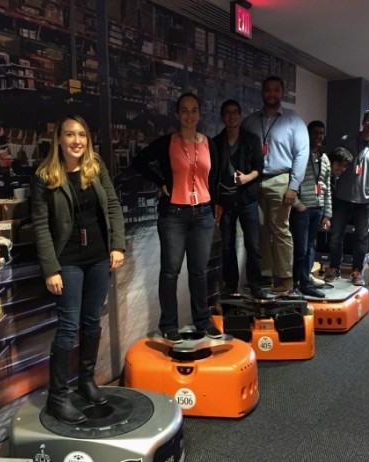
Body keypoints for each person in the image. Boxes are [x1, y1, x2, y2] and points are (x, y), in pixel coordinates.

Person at [31, 115, 126, 424]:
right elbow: (41, 226)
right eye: (70, 134)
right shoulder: (45, 176)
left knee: (92, 321)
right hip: (68, 261)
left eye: (82, 135)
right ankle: (57, 397)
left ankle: (86, 381)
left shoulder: (95, 166)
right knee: (68, 326)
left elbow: (112, 205)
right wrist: (50, 269)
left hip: (99, 257)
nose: (77, 141)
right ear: (59, 139)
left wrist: (117, 245)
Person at [131, 92, 222, 344]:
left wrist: (214, 206)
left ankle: (203, 321)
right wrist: (160, 181)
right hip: (174, 215)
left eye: (194, 110)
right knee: (170, 272)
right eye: (184, 110)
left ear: (199, 114)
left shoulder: (208, 143)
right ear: (177, 114)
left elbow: (214, 177)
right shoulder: (167, 143)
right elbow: (139, 161)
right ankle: (169, 325)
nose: (189, 115)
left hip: (202, 214)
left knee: (198, 272)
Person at [242, 76, 309, 294]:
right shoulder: (250, 121)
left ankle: (285, 278)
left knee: (280, 229)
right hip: (255, 180)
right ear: (262, 92)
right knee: (260, 229)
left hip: (280, 179)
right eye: (268, 90)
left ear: (282, 93)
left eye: (276, 90)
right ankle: (266, 275)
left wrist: (293, 186)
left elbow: (302, 154)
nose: (272, 94)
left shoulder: (294, 121)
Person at [324, 108, 369, 286]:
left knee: (361, 238)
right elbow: (334, 161)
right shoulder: (347, 140)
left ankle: (357, 271)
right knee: (336, 236)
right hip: (342, 198)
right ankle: (334, 267)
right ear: (363, 121)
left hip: (366, 201)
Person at [213, 99, 267, 299]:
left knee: (253, 245)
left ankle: (255, 285)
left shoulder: (251, 139)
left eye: (235, 112)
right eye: (227, 112)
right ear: (223, 117)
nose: (232, 116)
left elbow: (259, 168)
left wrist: (246, 178)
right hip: (225, 200)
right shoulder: (216, 142)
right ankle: (230, 284)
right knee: (227, 246)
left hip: (247, 199)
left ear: (240, 115)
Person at [289, 120, 332, 298]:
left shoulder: (324, 158)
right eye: (315, 133)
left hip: (318, 208)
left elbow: (327, 187)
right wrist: (297, 204)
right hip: (302, 209)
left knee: (310, 248)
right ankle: (294, 285)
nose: (318, 136)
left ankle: (305, 283)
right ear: (308, 134)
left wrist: (327, 214)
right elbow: (290, 180)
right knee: (300, 249)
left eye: (321, 133)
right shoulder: (300, 155)